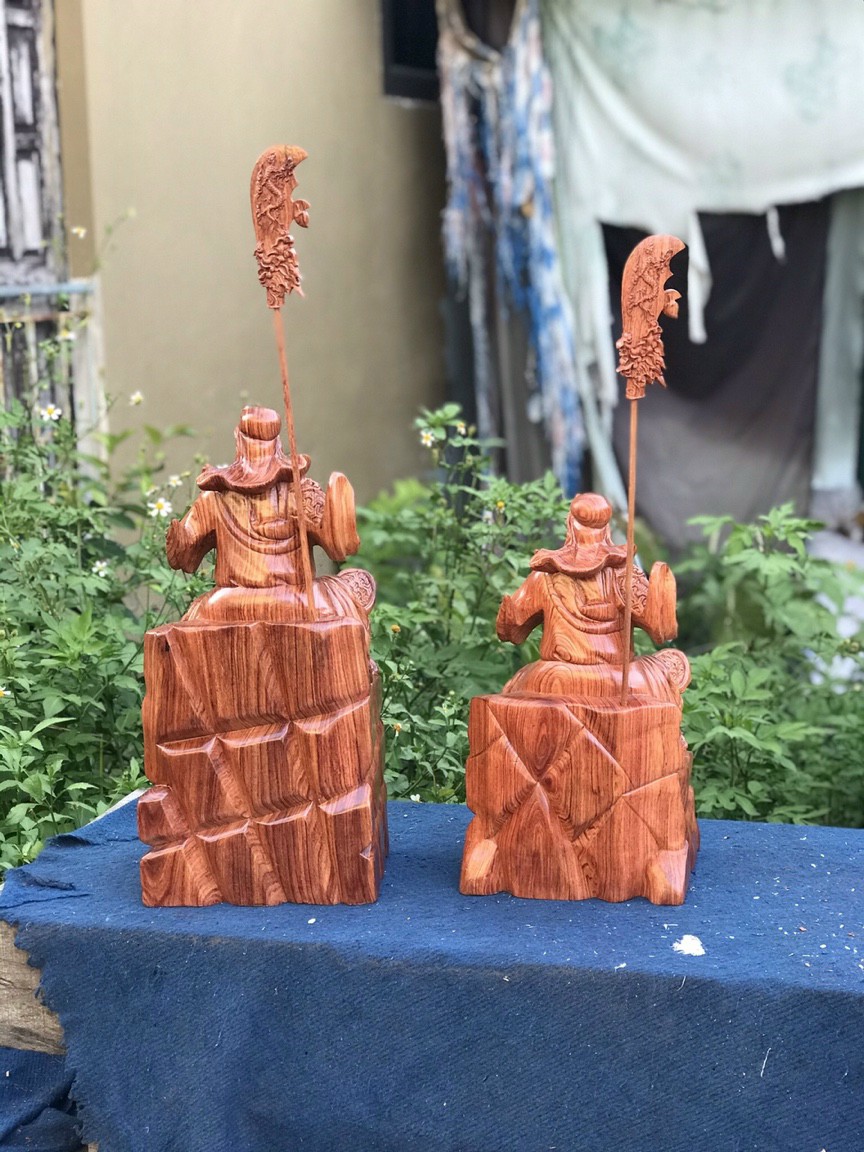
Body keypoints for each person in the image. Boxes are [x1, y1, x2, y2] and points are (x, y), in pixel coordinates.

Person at [496, 492, 689, 702]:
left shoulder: (544, 577)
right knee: (657, 671)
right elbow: (659, 630)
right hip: (617, 680)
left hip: (557, 677)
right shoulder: (624, 575)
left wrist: (508, 612)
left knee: (526, 681)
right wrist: (661, 592)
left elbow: (511, 631)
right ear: (607, 530)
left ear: (570, 526)